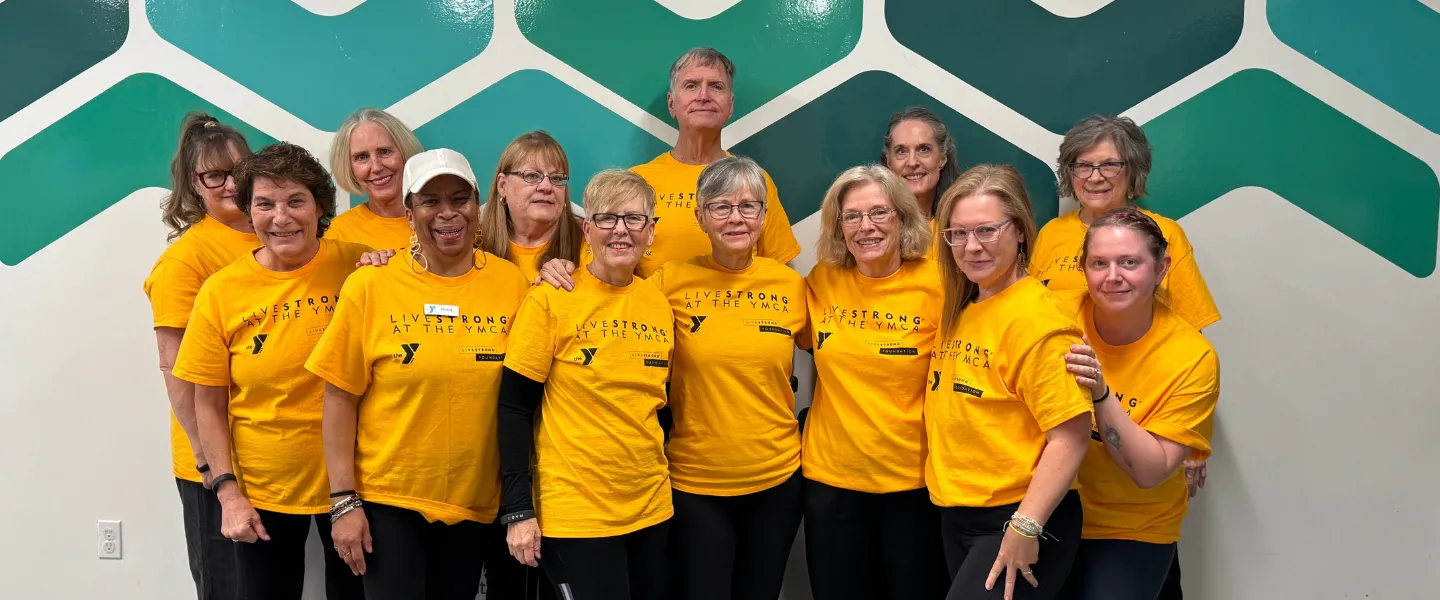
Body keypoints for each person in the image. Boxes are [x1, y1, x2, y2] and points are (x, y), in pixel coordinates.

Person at [533, 156, 807, 600]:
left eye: (748, 207)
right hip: (694, 485)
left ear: (764, 216)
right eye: (721, 207)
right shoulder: (667, 283)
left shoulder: (792, 287)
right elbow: (607, 288)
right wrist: (555, 269)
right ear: (700, 217)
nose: (736, 218)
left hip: (777, 481)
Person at [306, 148, 537, 599]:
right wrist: (343, 501)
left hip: (473, 505)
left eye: (459, 199)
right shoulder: (371, 285)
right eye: (430, 201)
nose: (447, 213)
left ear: (477, 207)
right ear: (410, 215)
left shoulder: (511, 285)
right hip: (389, 503)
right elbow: (339, 398)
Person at [1031, 115, 1220, 598]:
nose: (1095, 176)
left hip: (1137, 446)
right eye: (1083, 165)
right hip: (1065, 459)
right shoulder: (1050, 234)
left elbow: (1188, 342)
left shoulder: (1165, 235)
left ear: (1132, 170)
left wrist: (1192, 445)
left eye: (1109, 165)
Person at [174, 142, 369, 600]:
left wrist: (383, 265)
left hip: (359, 485)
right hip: (264, 491)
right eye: (264, 204)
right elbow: (208, 402)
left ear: (320, 207)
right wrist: (228, 494)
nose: (281, 218)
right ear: (249, 211)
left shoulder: (360, 265)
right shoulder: (221, 291)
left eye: (296, 201)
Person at [498, 169, 675, 600]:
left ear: (651, 231)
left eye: (634, 219)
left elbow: (659, 406)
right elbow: (513, 409)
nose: (621, 230)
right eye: (607, 218)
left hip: (652, 508)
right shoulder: (551, 297)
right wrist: (518, 510)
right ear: (587, 229)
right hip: (576, 515)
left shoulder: (658, 303)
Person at [927, 164, 1092, 600]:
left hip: (1019, 516)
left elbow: (1071, 436)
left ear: (1019, 230)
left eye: (986, 230)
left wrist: (1025, 525)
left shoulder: (1038, 319)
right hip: (958, 512)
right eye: (958, 234)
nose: (972, 246)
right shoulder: (964, 307)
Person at [800, 165, 948, 600]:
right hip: (832, 483)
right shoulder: (822, 280)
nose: (866, 226)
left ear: (902, 216)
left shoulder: (941, 283)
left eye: (879, 212)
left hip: (914, 484)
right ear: (839, 227)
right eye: (852, 216)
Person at [1056, 207, 1219, 600]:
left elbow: (1150, 472)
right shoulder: (1055, 315)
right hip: (1052, 512)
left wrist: (1100, 392)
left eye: (1129, 262)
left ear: (1161, 269)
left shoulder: (1191, 357)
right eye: (1099, 263)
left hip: (1132, 526)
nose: (1113, 276)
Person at [143, 112, 256, 600]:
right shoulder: (185, 261)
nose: (231, 185)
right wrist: (208, 462)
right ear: (195, 183)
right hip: (216, 463)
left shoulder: (280, 235)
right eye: (216, 176)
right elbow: (174, 368)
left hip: (272, 455)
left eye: (239, 171)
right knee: (228, 586)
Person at [629, 47, 800, 277]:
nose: (703, 96)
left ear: (730, 105)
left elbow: (781, 274)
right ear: (671, 104)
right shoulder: (636, 183)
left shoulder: (754, 181)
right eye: (691, 86)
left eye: (716, 86)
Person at [478, 130, 586, 284]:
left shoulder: (589, 244)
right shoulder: (472, 246)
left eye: (556, 178)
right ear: (502, 186)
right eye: (532, 176)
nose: (546, 187)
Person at [326, 108, 425, 251]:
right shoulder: (339, 234)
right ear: (349, 167)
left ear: (405, 152)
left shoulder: (443, 218)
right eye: (362, 157)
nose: (376, 167)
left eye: (384, 152)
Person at [880, 106, 961, 220]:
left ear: (942, 159)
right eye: (901, 151)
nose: (912, 162)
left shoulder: (962, 223)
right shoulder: (873, 226)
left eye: (923, 149)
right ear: (888, 162)